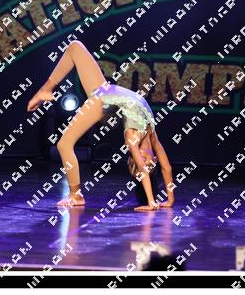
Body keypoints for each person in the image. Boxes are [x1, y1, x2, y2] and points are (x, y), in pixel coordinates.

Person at [27, 40, 174, 211]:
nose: (138, 161)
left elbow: (142, 168)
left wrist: (151, 202)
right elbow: (167, 168)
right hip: (105, 90)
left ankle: (76, 195)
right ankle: (45, 90)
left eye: (132, 165)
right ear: (154, 160)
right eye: (145, 163)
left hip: (101, 101)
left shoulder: (131, 138)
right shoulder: (152, 135)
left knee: (64, 144)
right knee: (75, 47)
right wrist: (169, 200)